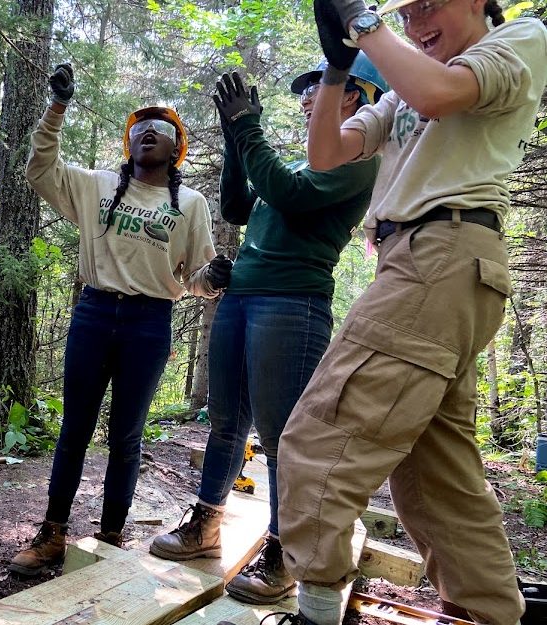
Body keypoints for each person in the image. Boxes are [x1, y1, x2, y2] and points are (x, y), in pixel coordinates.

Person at [273, 0, 547, 622]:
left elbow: (437, 94)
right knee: (436, 477)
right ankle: (490, 613)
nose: (417, 19)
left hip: (441, 255)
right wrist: (339, 70)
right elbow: (325, 154)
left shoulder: (519, 41)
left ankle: (315, 612)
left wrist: (366, 26)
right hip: (426, 267)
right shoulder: (411, 80)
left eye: (430, 2)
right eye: (408, 8)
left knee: (321, 440)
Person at [149, 55, 387, 607]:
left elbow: (286, 194)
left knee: (284, 441)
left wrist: (248, 128)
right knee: (227, 423)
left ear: (356, 96)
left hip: (292, 304)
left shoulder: (360, 161)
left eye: (319, 90)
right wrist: (236, 139)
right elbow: (238, 204)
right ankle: (205, 526)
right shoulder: (309, 164)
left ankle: (283, 554)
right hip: (242, 299)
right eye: (307, 92)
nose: (308, 100)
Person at [8, 63, 229, 576]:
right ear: (128, 142)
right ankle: (53, 533)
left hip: (149, 323)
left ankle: (109, 536)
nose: (148, 132)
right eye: (139, 128)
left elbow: (194, 279)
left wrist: (214, 276)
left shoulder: (190, 204)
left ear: (177, 149)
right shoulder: (97, 186)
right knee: (75, 428)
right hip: (94, 313)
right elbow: (39, 171)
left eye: (162, 129)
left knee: (126, 435)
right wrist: (56, 108)